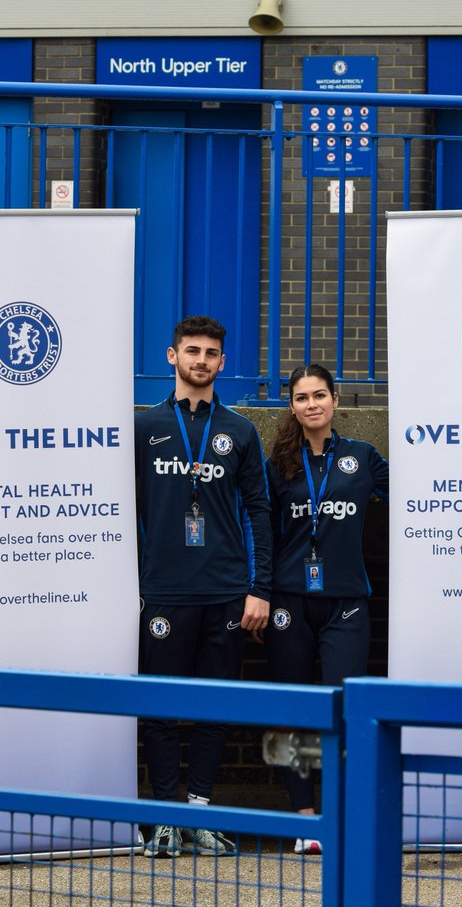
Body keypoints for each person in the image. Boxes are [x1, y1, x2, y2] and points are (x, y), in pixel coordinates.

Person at [134, 315, 272, 858]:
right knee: (162, 707)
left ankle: (199, 812)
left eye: (211, 353)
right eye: (192, 350)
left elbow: (259, 510)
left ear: (221, 362)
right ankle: (166, 817)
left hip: (226, 593)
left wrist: (258, 589)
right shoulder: (144, 427)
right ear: (172, 357)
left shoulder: (240, 431)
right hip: (164, 591)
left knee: (216, 705)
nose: (202, 360)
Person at [265, 363, 389, 855]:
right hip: (288, 603)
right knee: (293, 709)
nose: (312, 404)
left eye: (320, 395)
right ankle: (304, 819)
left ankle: (339, 812)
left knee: (343, 708)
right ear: (291, 406)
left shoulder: (363, 456)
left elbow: (414, 498)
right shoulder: (279, 464)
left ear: (336, 400)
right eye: (302, 397)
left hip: (346, 604)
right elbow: (259, 530)